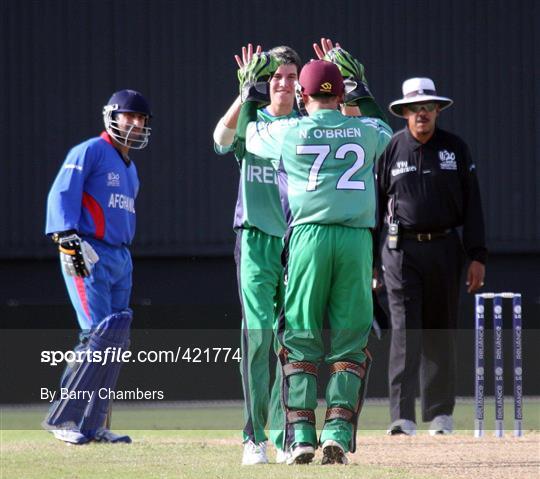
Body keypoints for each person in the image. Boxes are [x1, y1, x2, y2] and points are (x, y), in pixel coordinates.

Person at [237, 44, 392, 465]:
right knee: (350, 339)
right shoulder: (365, 130)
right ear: (340, 95)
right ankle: (338, 431)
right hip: (357, 238)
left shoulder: (291, 130)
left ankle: (301, 435)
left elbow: (248, 135)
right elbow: (383, 125)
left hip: (307, 236)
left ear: (303, 98)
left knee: (301, 335)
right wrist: (361, 88)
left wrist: (252, 92)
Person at [376, 77, 487, 436]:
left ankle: (440, 413)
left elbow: (473, 205)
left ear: (437, 109)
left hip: (444, 247)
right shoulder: (392, 149)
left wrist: (476, 255)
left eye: (427, 106)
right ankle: (401, 415)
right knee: (406, 329)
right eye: (414, 107)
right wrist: (372, 264)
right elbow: (375, 208)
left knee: (441, 327)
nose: (421, 113)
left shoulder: (455, 149)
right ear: (404, 112)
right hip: (400, 249)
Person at [43, 89, 152, 444]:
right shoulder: (90, 150)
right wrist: (66, 238)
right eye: (128, 117)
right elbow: (62, 193)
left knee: (115, 340)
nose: (135, 124)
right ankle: (64, 420)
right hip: (86, 250)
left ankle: (94, 425)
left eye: (141, 119)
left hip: (120, 256)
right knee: (96, 336)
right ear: (112, 117)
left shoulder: (130, 168)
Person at [213, 44, 302, 465]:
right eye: (275, 77)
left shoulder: (309, 126)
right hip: (254, 239)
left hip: (298, 240)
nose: (282, 84)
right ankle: (255, 437)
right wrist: (244, 92)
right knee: (258, 334)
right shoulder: (253, 117)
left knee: (293, 337)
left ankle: (287, 436)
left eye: (290, 76)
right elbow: (219, 139)